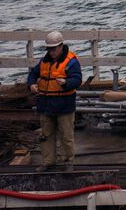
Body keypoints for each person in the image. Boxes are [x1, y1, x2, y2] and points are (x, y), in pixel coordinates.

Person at [27, 30, 81, 169]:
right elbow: (33, 74)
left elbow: (77, 79)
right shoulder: (44, 62)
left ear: (61, 46)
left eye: (54, 49)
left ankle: (68, 161)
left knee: (66, 136)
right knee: (46, 135)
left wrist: (66, 83)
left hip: (64, 105)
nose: (51, 52)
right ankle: (48, 162)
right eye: (49, 49)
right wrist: (31, 84)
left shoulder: (71, 62)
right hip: (46, 105)